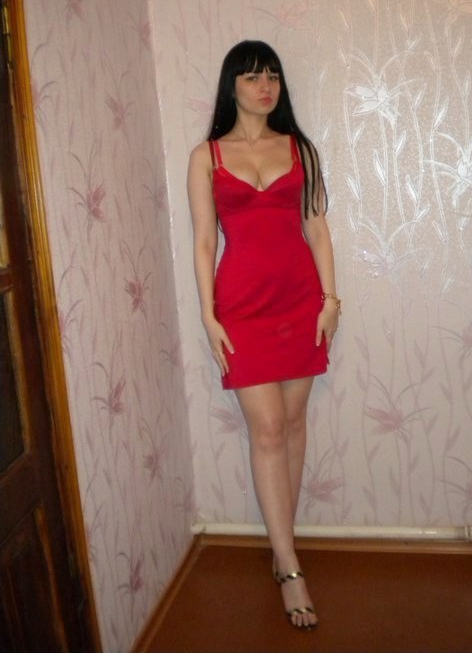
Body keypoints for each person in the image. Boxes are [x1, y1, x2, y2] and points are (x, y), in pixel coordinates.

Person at [187, 40, 339, 629]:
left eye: (272, 75)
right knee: (268, 428)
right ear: (232, 86)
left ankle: (282, 549)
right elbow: (205, 240)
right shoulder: (206, 156)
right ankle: (292, 568)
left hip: (301, 302)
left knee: (294, 424)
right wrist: (208, 315)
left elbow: (317, 229)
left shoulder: (300, 148)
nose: (265, 86)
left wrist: (331, 301)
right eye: (252, 76)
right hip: (242, 308)